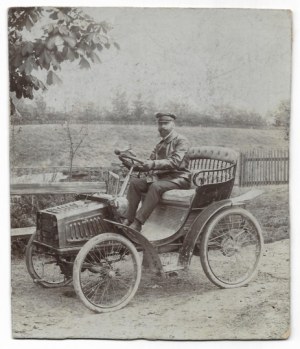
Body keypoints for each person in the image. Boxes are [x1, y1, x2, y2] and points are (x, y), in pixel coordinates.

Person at [123, 112, 191, 232]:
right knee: (135, 183)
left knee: (155, 186)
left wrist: (153, 164)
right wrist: (130, 164)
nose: (163, 127)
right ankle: (128, 219)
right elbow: (149, 163)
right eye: (160, 124)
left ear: (173, 124)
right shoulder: (160, 144)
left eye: (166, 123)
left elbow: (175, 162)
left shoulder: (181, 141)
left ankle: (138, 223)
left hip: (179, 178)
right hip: (162, 178)